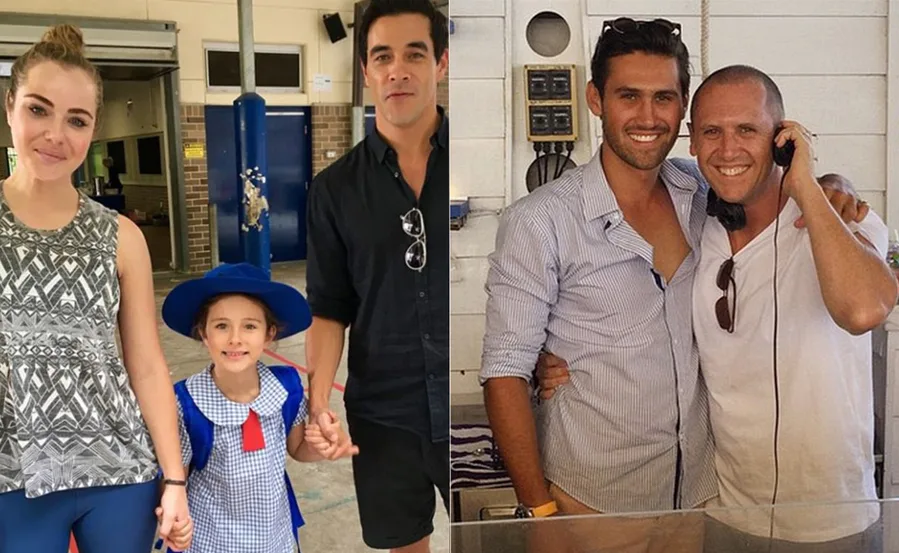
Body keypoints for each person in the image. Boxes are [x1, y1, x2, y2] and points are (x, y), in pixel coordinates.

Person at [479, 16, 867, 545]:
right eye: (628, 96)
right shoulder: (539, 221)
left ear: (682, 107)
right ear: (596, 99)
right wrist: (541, 514)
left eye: (664, 97)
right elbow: (504, 372)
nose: (647, 116)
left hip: (702, 500)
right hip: (593, 503)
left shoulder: (701, 191)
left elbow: (761, 180)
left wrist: (831, 182)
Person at [686, 65, 894, 551]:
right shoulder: (695, 226)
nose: (728, 149)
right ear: (692, 143)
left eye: (748, 130)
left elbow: (864, 310)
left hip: (834, 523)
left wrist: (809, 185)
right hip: (728, 515)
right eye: (711, 132)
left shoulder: (844, 220)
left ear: (782, 138)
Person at [0, 24, 189, 552]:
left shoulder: (121, 236)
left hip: (120, 469)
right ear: (10, 105)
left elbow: (147, 365)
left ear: (92, 129)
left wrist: (174, 479)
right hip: (14, 474)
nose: (56, 134)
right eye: (39, 109)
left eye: (76, 119)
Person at [304, 0, 449, 551]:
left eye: (415, 53)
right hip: (384, 413)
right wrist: (318, 403)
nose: (398, 70)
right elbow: (328, 307)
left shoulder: (474, 162)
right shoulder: (335, 189)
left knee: (502, 536)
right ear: (366, 71)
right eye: (382, 56)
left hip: (472, 402)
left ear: (440, 63)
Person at [157, 262, 358, 553]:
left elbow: (297, 448)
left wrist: (320, 446)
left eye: (250, 326)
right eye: (221, 325)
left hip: (273, 540)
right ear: (204, 333)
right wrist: (172, 514)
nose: (235, 338)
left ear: (269, 334)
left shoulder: (285, 389)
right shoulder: (186, 404)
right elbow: (175, 477)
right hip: (211, 541)